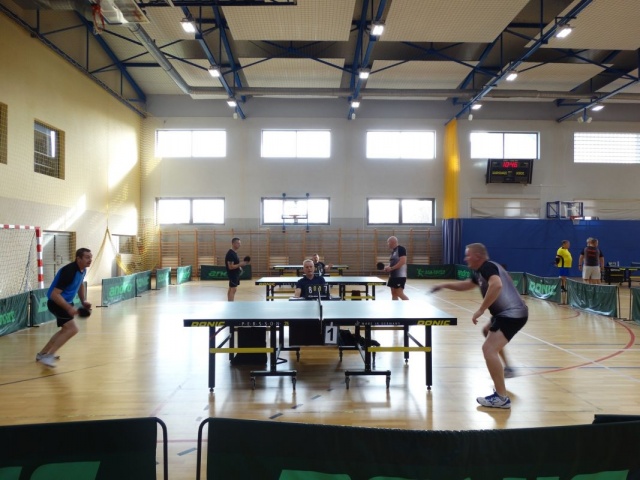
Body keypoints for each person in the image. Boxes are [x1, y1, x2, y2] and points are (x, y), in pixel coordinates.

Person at [431, 243, 528, 409]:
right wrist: (443, 285)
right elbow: (467, 285)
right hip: (506, 313)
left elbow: (497, 285)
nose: (465, 258)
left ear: (477, 256)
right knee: (486, 331)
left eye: (468, 255)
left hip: (511, 315)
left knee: (488, 350)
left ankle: (501, 397)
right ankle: (507, 368)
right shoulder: (481, 271)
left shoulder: (487, 267)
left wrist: (481, 309)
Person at [36, 248, 93, 368]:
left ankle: (42, 354)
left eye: (90, 257)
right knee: (72, 329)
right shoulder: (69, 271)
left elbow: (80, 285)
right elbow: (54, 294)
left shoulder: (82, 270)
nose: (90, 260)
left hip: (66, 302)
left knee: (65, 330)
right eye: (87, 257)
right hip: (56, 303)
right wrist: (68, 308)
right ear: (78, 259)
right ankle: (49, 356)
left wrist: (83, 301)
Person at [384, 236, 409, 300]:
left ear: (392, 242)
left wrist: (391, 268)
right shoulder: (393, 251)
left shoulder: (401, 249)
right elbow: (393, 263)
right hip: (392, 276)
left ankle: (409, 304)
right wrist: (388, 267)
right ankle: (395, 306)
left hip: (399, 276)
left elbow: (403, 261)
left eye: (388, 242)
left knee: (399, 293)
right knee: (393, 293)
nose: (388, 244)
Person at [225, 237, 249, 302]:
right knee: (233, 289)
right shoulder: (230, 254)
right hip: (232, 274)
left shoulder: (234, 253)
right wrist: (240, 264)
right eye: (238, 243)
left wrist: (239, 267)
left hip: (235, 273)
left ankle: (229, 303)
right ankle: (231, 304)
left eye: (240, 243)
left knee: (231, 288)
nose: (240, 245)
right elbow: (230, 267)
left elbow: (235, 263)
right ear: (233, 243)